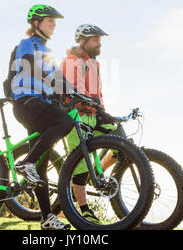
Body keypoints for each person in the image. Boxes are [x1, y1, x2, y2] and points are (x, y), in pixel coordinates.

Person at [10, 4, 74, 230]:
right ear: (36, 23)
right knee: (66, 122)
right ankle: (26, 162)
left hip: (39, 105)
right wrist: (56, 78)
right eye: (50, 21)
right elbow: (31, 66)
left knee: (41, 162)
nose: (54, 25)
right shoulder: (27, 44)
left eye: (55, 22)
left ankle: (46, 218)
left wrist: (79, 95)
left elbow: (59, 80)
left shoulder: (47, 52)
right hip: (27, 103)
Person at [61, 24, 120, 224]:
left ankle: (95, 174)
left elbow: (97, 94)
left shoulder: (94, 63)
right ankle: (84, 210)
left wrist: (102, 112)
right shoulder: (72, 61)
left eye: (99, 39)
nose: (99, 43)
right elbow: (76, 91)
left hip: (93, 115)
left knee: (121, 142)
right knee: (79, 165)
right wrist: (97, 110)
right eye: (96, 40)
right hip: (75, 115)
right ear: (83, 42)